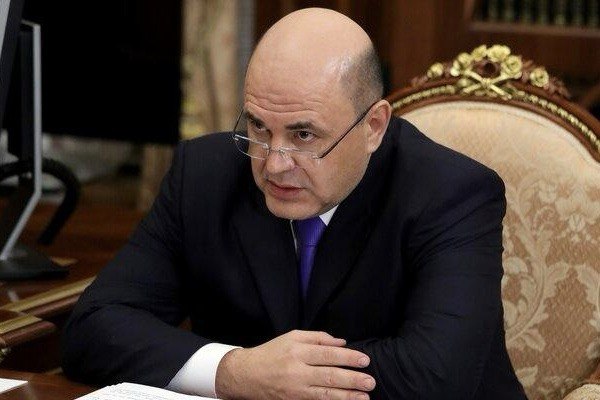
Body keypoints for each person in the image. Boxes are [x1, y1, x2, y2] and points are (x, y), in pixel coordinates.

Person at [62, 7, 526, 400]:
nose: (274, 164)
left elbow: (438, 376)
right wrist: (234, 370)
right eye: (258, 128)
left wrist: (293, 377)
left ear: (374, 127)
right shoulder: (203, 175)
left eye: (304, 135)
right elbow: (93, 327)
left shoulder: (452, 194)